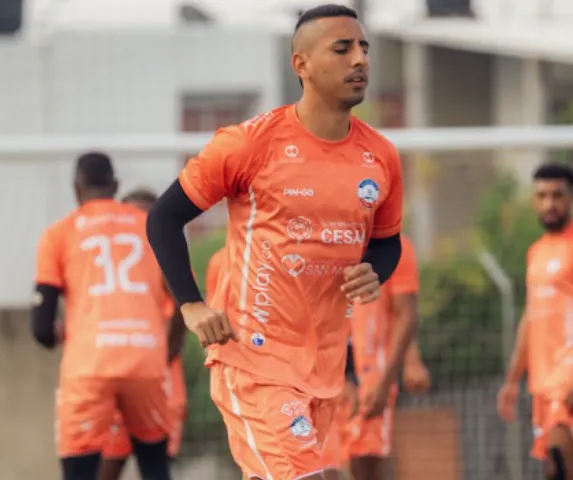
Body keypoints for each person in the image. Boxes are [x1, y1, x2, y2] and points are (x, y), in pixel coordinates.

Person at [144, 4, 405, 479]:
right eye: (342, 48)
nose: (359, 60)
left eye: (364, 48)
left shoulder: (381, 157)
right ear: (300, 65)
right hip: (254, 359)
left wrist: (376, 271)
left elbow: (388, 244)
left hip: (323, 368)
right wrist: (191, 305)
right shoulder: (250, 144)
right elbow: (163, 218)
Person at [31, 153, 185, 480]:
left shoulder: (59, 234)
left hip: (90, 363)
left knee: (83, 470)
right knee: (154, 463)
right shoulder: (149, 225)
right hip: (145, 359)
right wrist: (165, 352)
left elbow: (41, 329)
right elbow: (185, 301)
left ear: (76, 188)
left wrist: (62, 333)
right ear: (115, 186)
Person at [495, 163, 573, 480]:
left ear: (571, 198)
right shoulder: (536, 252)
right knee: (557, 471)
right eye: (542, 196)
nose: (550, 203)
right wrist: (512, 379)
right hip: (545, 377)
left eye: (557, 195)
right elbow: (531, 317)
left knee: (560, 461)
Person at [94, 188, 189, 480]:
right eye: (130, 216)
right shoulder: (108, 268)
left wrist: (158, 360)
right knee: (106, 468)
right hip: (114, 383)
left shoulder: (171, 263)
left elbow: (184, 316)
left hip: (160, 386)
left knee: (156, 467)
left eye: (145, 218)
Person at [333, 234, 425, 479]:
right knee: (322, 466)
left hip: (372, 376)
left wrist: (387, 380)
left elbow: (405, 315)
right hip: (325, 372)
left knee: (366, 461)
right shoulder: (326, 239)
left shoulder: (396, 248)